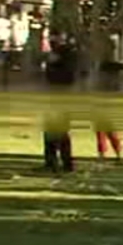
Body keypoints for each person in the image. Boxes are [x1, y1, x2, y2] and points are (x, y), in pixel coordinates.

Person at [42, 34, 79, 173]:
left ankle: (63, 163)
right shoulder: (62, 62)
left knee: (60, 133)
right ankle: (53, 162)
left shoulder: (64, 64)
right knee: (51, 132)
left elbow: (57, 78)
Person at [94, 60, 123, 160]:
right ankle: (112, 153)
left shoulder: (110, 82)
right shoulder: (108, 82)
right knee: (106, 132)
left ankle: (111, 153)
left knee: (108, 132)